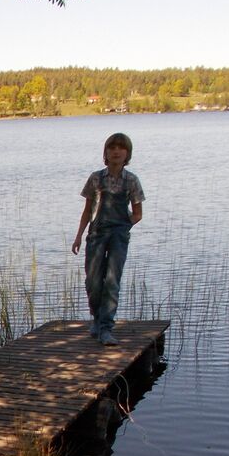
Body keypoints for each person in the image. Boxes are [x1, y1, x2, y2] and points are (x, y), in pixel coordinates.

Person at [71, 132, 145, 346]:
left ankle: (106, 328)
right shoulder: (96, 178)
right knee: (93, 281)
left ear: (127, 154)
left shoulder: (132, 180)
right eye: (112, 148)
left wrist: (124, 226)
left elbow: (138, 213)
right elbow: (87, 211)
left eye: (121, 148)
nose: (116, 151)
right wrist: (78, 236)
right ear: (105, 152)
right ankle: (96, 317)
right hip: (96, 233)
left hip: (119, 236)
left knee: (112, 281)